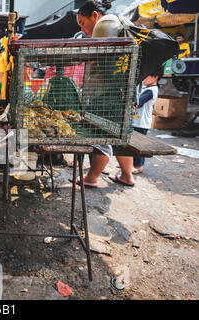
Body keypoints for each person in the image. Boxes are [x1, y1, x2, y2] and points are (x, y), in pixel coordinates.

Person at [77, 0, 136, 187]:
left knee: (101, 136)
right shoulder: (121, 21)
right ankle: (127, 175)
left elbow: (98, 62)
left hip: (107, 95)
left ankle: (91, 178)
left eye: (82, 23)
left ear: (94, 15)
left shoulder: (103, 25)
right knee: (120, 136)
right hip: (123, 93)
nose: (84, 30)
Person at [132, 66, 163, 174]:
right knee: (131, 143)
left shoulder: (152, 90)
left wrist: (133, 104)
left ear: (156, 77)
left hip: (141, 122)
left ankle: (138, 166)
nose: (144, 79)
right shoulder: (144, 86)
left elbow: (139, 102)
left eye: (147, 76)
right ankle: (130, 163)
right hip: (135, 121)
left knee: (139, 145)